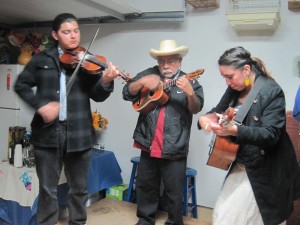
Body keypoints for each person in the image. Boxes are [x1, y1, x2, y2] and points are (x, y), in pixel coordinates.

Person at [14, 13, 120, 225]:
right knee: (47, 190)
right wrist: (41, 106)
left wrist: (107, 80)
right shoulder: (41, 59)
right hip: (46, 134)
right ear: (55, 35)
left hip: (79, 133)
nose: (73, 36)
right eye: (66, 32)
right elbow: (21, 85)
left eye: (76, 31)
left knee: (79, 189)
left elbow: (98, 94)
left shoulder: (87, 59)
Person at [198, 46, 300, 225]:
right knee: (224, 215)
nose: (227, 82)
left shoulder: (271, 91)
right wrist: (205, 119)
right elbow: (217, 111)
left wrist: (235, 130)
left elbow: (271, 135)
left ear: (246, 70)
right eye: (224, 77)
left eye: (230, 76)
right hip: (243, 162)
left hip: (269, 169)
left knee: (257, 218)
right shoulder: (235, 88)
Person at [122, 39, 204, 225]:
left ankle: (174, 221)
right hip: (148, 141)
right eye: (161, 62)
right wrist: (143, 81)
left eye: (171, 62)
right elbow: (127, 92)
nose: (165, 66)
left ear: (180, 61)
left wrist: (190, 93)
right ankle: (145, 220)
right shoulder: (149, 74)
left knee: (173, 190)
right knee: (146, 185)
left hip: (174, 144)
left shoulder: (190, 80)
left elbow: (196, 108)